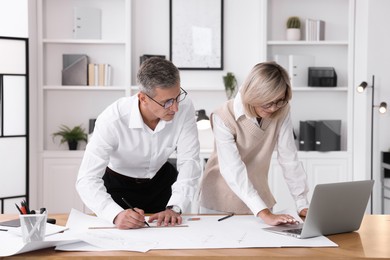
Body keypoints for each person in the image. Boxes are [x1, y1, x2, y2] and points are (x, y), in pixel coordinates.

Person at [76, 57, 201, 229]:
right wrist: (114, 214)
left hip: (161, 184)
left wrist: (175, 207)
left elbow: (190, 161)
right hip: (118, 189)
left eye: (178, 96)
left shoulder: (185, 108)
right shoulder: (112, 120)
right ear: (143, 98)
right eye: (166, 102)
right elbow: (86, 179)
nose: (175, 108)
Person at [199, 61, 309, 226]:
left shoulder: (281, 110)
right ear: (253, 95)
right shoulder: (223, 115)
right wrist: (264, 213)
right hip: (220, 201)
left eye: (279, 101)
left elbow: (289, 158)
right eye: (268, 102)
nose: (273, 108)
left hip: (260, 197)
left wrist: (302, 203)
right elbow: (232, 170)